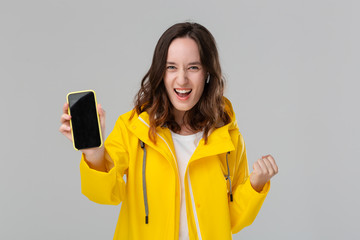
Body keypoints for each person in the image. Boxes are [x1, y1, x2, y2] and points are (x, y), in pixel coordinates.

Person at [59, 22, 278, 240]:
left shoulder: (226, 136)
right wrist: (95, 154)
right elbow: (105, 195)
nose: (181, 79)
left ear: (207, 73)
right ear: (160, 73)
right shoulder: (133, 127)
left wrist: (255, 185)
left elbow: (232, 220)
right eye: (171, 67)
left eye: (193, 67)